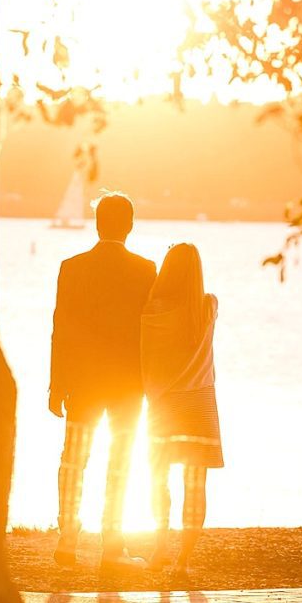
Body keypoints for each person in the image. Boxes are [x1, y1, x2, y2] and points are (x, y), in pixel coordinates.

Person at [49, 191, 157, 571]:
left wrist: (55, 384)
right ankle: (112, 544)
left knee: (74, 460)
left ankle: (67, 539)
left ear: (97, 225)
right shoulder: (146, 270)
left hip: (83, 382)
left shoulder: (72, 267)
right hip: (129, 384)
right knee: (120, 459)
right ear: (129, 226)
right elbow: (152, 331)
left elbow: (61, 328)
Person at [140, 243, 224, 581]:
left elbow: (148, 360)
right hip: (201, 405)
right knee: (196, 484)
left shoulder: (154, 311)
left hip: (165, 405)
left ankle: (160, 548)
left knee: (159, 479)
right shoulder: (209, 306)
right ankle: (184, 559)